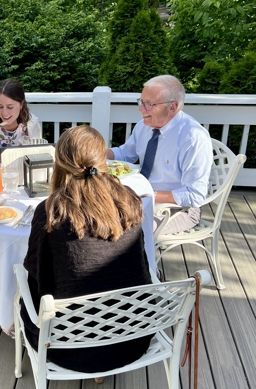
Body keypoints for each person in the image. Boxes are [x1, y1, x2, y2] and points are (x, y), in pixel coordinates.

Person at [21, 125, 153, 375]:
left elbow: (38, 277)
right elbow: (141, 264)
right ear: (102, 160)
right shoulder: (131, 200)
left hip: (69, 349)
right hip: (134, 338)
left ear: (59, 162)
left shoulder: (50, 212)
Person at [107, 75, 213, 234]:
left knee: (129, 232)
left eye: (149, 104)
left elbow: (195, 195)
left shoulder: (193, 139)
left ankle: (142, 258)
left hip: (179, 209)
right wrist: (96, 153)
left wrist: (147, 194)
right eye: (141, 102)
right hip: (141, 198)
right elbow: (125, 154)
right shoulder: (144, 126)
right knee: (97, 216)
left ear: (172, 107)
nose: (141, 109)